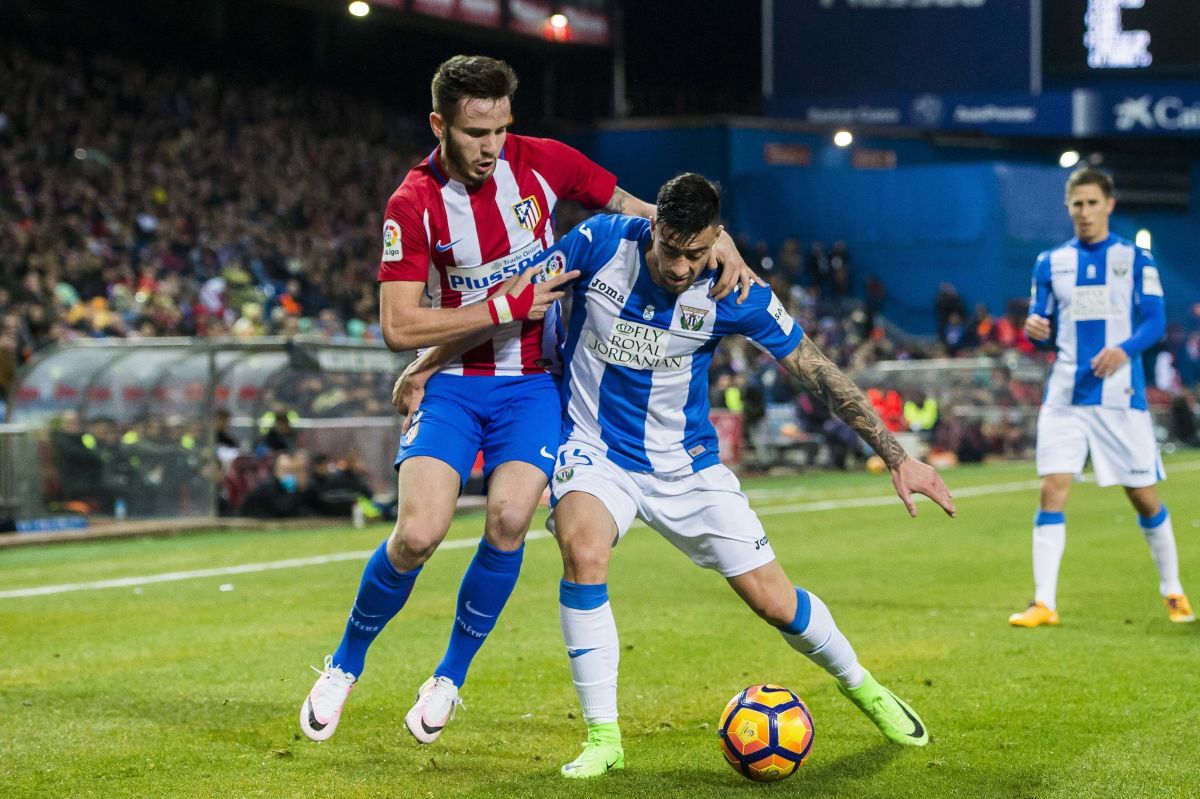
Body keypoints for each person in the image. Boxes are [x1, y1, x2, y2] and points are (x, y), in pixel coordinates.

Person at [299, 56, 758, 746]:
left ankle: (449, 677)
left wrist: (720, 240)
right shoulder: (413, 203)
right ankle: (344, 664)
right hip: (456, 383)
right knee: (418, 533)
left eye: (500, 129)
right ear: (439, 125)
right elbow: (397, 324)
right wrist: (492, 313)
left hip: (533, 383)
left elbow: (649, 215)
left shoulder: (544, 162)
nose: (490, 147)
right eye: (474, 132)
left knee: (511, 517)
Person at [513, 173, 956, 777]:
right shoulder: (599, 243)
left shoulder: (735, 290)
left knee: (775, 602)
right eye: (670, 249)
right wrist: (432, 363)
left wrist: (897, 456)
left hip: (688, 467)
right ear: (653, 227)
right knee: (583, 550)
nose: (679, 266)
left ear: (717, 238)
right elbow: (516, 296)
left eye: (695, 253)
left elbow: (814, 367)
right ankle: (603, 737)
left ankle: (864, 686)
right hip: (596, 450)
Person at [1008, 167, 1193, 628]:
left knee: (1143, 497)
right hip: (1066, 394)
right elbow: (1041, 325)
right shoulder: (1050, 263)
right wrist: (1033, 329)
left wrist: (1123, 350)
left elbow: (1154, 321)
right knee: (1052, 488)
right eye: (1077, 204)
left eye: (1092, 203)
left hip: (1119, 396)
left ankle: (1173, 590)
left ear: (1109, 204)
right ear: (1067, 207)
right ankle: (1043, 602)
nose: (1085, 211)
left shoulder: (1136, 259)